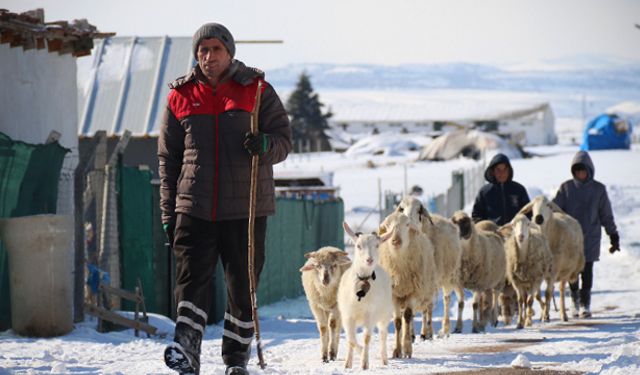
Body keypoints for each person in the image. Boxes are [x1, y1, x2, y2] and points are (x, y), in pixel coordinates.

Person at [158, 23, 292, 375]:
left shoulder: (257, 90)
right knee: (190, 281)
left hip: (245, 208)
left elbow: (283, 140)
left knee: (242, 287)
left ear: (229, 52)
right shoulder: (180, 96)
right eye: (202, 50)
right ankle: (186, 351)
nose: (208, 56)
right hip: (194, 204)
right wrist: (168, 211)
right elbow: (168, 158)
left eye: (215, 49)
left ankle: (236, 360)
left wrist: (266, 146)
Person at [553, 151, 619, 318]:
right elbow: (554, 210)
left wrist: (613, 235)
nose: (580, 174)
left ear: (590, 170)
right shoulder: (566, 188)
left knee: (587, 270)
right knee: (572, 271)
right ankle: (574, 301)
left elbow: (606, 215)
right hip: (570, 239)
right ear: (573, 171)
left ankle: (585, 303)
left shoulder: (599, 190)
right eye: (577, 171)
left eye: (583, 170)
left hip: (590, 236)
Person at [471, 153, 530, 225]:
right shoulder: (485, 192)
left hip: (516, 233)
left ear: (509, 171)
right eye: (498, 170)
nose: (502, 173)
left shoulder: (519, 190)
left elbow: (528, 213)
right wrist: (485, 228)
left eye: (505, 169)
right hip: (492, 234)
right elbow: (476, 216)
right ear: (492, 172)